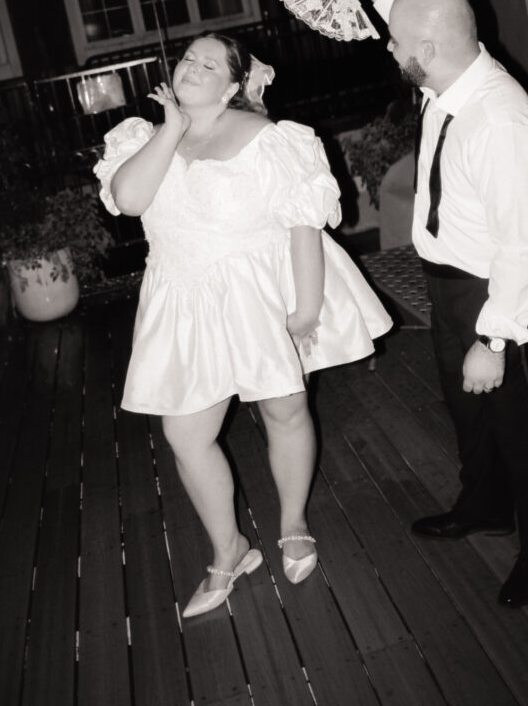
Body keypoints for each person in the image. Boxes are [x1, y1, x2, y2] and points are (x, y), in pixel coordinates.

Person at [94, 31, 392, 618]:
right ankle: (230, 549)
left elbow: (303, 225)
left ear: (234, 85)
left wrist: (306, 310)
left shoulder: (269, 139)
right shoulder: (143, 136)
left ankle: (293, 523)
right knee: (185, 435)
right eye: (186, 59)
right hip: (180, 301)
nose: (193, 67)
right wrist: (172, 129)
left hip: (256, 293)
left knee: (283, 410)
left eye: (210, 63)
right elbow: (128, 202)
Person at [336, 0, 528, 608]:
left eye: (396, 41)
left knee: (526, 431)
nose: (389, 47)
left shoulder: (498, 121)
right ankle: (487, 508)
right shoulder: (444, 74)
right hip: (450, 284)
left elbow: (523, 246)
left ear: (429, 51)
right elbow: (422, 27)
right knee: (471, 415)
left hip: (500, 293)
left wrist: (493, 340)